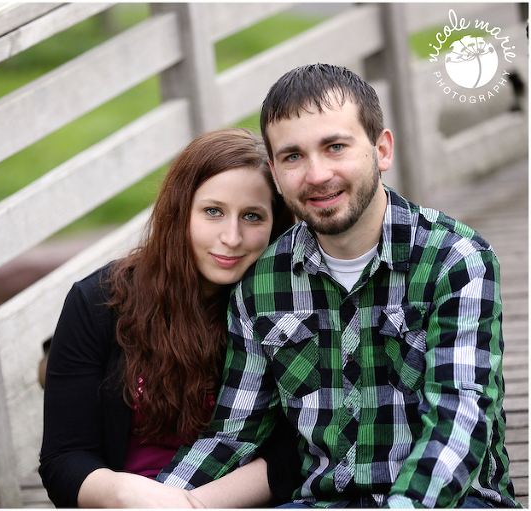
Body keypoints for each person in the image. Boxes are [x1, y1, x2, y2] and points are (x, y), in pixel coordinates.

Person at [158, 64, 520, 508]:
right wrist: (157, 499)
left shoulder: (455, 259)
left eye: (335, 147)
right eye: (293, 156)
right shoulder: (262, 282)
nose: (316, 175)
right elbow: (233, 434)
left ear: (381, 150)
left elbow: (459, 417)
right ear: (274, 172)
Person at [38, 128, 299, 508]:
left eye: (252, 216)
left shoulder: (284, 307)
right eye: (213, 211)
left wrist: (194, 505)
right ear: (179, 210)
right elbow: (64, 459)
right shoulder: (97, 302)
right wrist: (136, 496)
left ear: (276, 224)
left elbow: (293, 452)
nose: (232, 237)